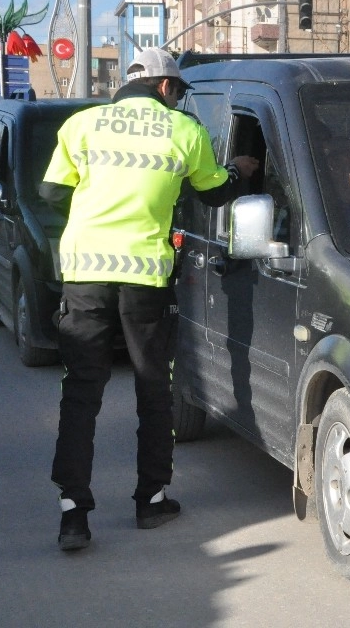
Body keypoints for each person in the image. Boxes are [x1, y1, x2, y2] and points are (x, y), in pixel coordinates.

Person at [39, 47, 259, 551]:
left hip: (84, 273)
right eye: (177, 91)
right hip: (145, 276)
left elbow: (53, 195)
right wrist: (240, 170)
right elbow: (213, 193)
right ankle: (151, 500)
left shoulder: (82, 124)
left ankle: (73, 513)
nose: (177, 99)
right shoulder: (184, 131)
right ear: (165, 87)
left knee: (81, 390)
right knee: (153, 386)